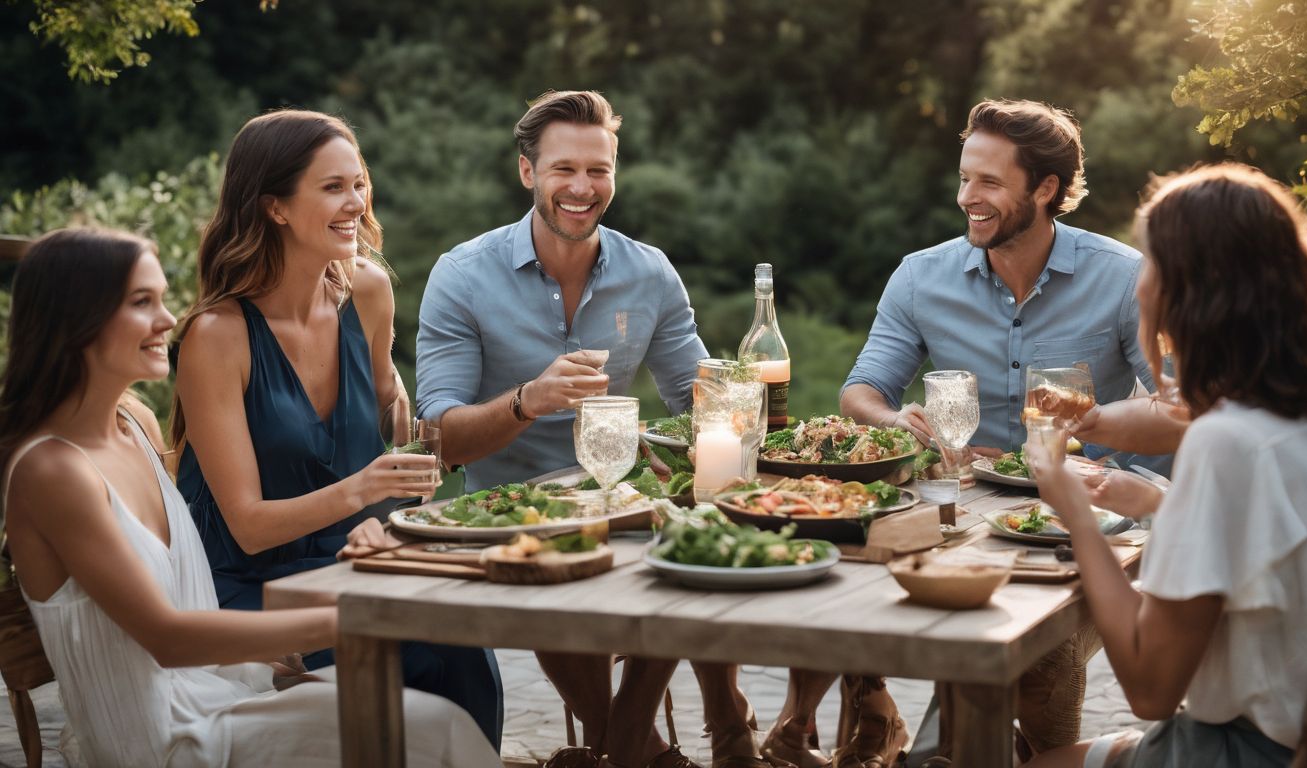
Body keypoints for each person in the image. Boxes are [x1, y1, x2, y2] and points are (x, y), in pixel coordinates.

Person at [0, 227, 498, 767]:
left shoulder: (134, 423)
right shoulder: (53, 470)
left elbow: (180, 595)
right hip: (167, 744)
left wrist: (265, 652)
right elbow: (166, 637)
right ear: (75, 319)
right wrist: (359, 614)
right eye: (142, 302)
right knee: (432, 728)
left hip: (224, 692)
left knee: (426, 705)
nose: (168, 321)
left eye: (163, 299)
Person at [771, 99, 1161, 765]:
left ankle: (1006, 753)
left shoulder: (1125, 277)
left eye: (987, 182)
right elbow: (861, 391)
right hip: (961, 508)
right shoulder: (922, 276)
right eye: (962, 178)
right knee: (836, 581)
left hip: (1088, 524)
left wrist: (1098, 435)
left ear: (1046, 189)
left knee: (1039, 662)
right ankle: (884, 725)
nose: (966, 199)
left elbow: (1183, 405)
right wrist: (899, 420)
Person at [404, 89, 760, 768]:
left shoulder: (648, 270)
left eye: (599, 170)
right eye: (564, 169)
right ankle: (640, 746)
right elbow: (439, 437)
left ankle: (682, 729)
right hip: (514, 513)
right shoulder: (463, 275)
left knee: (706, 530)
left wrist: (736, 405)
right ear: (526, 172)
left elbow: (700, 397)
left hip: (618, 500)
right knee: (569, 563)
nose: (582, 187)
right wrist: (526, 401)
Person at [171, 110, 504, 747]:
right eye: (332, 188)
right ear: (274, 207)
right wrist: (363, 488)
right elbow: (245, 522)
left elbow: (388, 405)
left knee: (462, 640)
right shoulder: (219, 336)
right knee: (412, 651)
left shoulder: (369, 291)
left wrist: (414, 443)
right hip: (247, 583)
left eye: (359, 184)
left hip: (351, 557)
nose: (356, 202)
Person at [1023, 163, 1307, 767]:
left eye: (1152, 262)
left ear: (1186, 292)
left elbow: (1149, 689)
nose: (1140, 281)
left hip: (1250, 751)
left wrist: (1075, 513)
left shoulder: (1227, 443)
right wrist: (1158, 504)